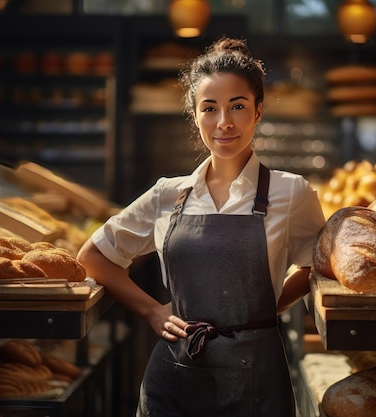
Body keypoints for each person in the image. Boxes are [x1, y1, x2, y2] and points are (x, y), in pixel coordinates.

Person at [76, 36, 326, 417]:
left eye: (237, 106)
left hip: (257, 378)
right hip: (174, 379)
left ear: (258, 111)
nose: (223, 122)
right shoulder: (167, 194)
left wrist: (264, 308)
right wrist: (151, 312)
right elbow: (94, 257)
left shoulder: (290, 192)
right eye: (209, 108)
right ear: (195, 115)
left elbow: (315, 267)